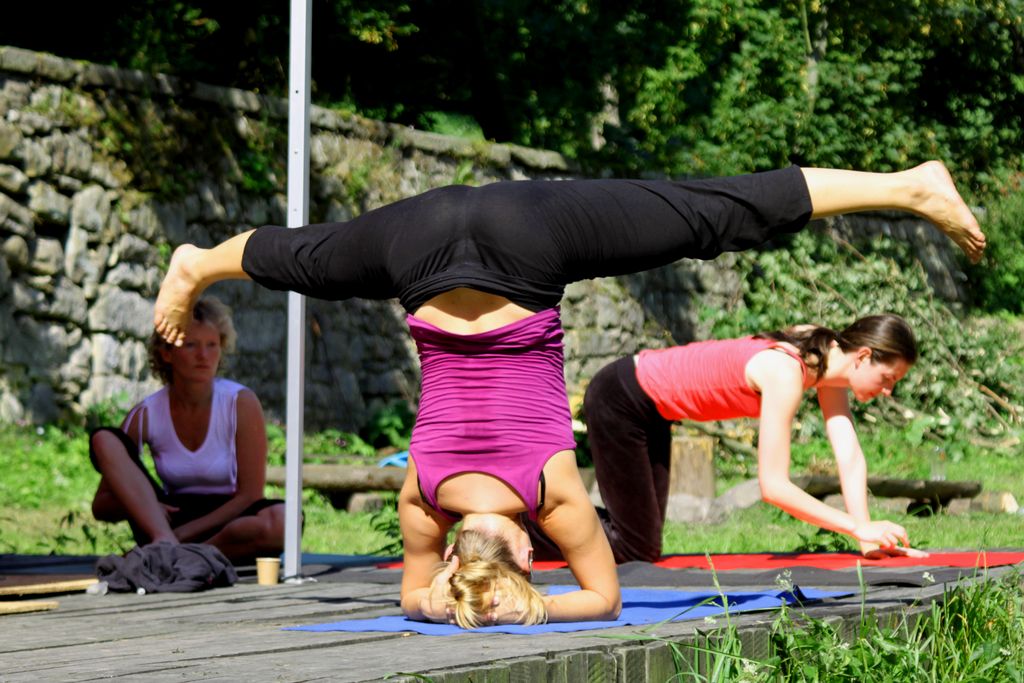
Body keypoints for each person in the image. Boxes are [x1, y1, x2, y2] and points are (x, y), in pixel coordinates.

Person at [151, 161, 983, 627]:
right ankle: (200, 261)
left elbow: (602, 596)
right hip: (419, 242)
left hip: (526, 248)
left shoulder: (552, 499)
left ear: (524, 551)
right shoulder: (422, 497)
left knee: (704, 216)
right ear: (453, 551)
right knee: (314, 259)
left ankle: (910, 186)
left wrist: (532, 605)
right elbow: (413, 593)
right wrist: (447, 601)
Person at [564, 313, 928, 566]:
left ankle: (556, 516)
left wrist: (866, 539)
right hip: (621, 397)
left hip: (651, 409)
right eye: (888, 378)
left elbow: (848, 453)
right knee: (634, 548)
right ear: (864, 356)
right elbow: (773, 486)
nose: (888, 391)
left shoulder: (827, 353)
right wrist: (855, 525)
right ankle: (533, 524)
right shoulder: (786, 371)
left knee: (639, 543)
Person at [90, 297, 285, 564]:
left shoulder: (240, 403)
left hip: (223, 520)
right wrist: (149, 509)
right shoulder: (145, 414)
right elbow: (102, 505)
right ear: (166, 353)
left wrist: (178, 536)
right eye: (191, 345)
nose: (203, 356)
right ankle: (178, 552)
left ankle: (178, 555)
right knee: (104, 439)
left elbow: (251, 495)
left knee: (283, 523)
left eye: (212, 345)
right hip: (169, 518)